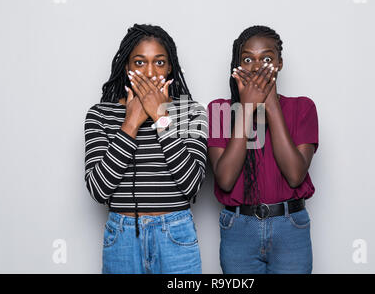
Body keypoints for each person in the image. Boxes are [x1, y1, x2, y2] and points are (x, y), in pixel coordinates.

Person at [84, 23, 207, 274]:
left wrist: (160, 117)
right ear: (127, 67)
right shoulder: (101, 114)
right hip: (123, 235)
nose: (150, 72)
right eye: (140, 62)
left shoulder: (192, 112)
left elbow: (192, 184)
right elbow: (99, 189)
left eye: (159, 62)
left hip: (175, 233)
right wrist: (130, 122)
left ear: (170, 66)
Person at [207, 25, 319, 274]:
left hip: (290, 228)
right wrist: (247, 109)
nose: (257, 67)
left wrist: (271, 105)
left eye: (267, 58)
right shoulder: (220, 110)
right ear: (237, 66)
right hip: (239, 229)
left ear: (279, 63)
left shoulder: (303, 108)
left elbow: (294, 174)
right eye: (248, 59)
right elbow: (225, 179)